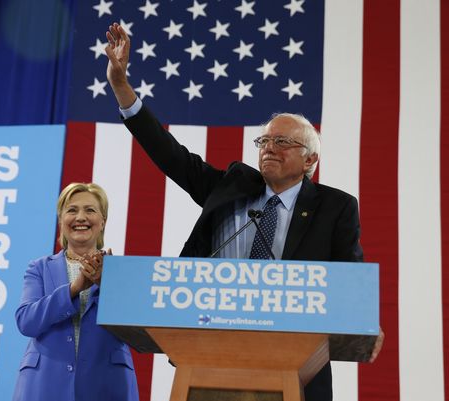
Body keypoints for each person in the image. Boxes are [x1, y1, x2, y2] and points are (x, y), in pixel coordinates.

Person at [104, 23, 384, 401]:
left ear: (310, 160)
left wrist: (363, 318)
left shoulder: (335, 208)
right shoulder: (232, 187)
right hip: (209, 355)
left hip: (295, 367)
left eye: (282, 141)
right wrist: (123, 89)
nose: (269, 147)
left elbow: (347, 276)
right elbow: (171, 155)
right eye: (264, 140)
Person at [12, 182, 139, 401]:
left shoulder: (121, 271)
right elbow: (26, 322)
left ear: (102, 222)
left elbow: (137, 332)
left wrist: (107, 285)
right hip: (45, 385)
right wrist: (74, 288)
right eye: (72, 210)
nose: (81, 217)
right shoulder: (39, 268)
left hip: (107, 385)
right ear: (61, 221)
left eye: (90, 210)